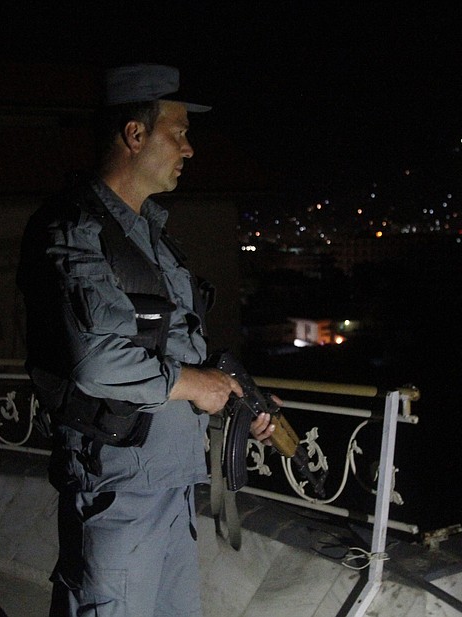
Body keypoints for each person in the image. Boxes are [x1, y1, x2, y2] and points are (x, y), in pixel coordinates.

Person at [17, 63, 275, 617]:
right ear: (135, 135)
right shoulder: (76, 231)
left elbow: (175, 350)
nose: (189, 150)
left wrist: (232, 397)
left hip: (167, 483)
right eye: (178, 133)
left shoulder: (149, 235)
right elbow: (97, 363)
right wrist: (195, 384)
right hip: (119, 489)